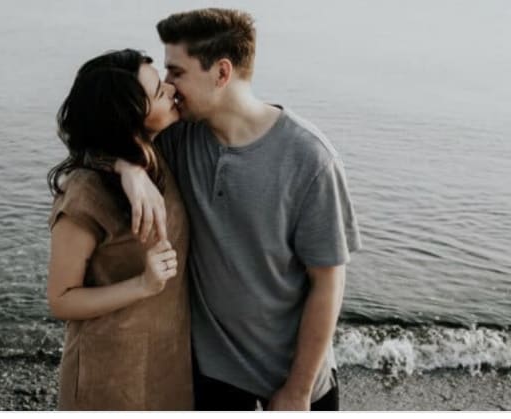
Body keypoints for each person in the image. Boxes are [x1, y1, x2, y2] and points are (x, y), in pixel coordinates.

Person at [113, 9, 362, 411]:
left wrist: (298, 390)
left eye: (177, 72)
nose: (168, 85)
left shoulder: (310, 159)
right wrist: (128, 167)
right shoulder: (178, 137)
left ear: (221, 72)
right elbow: (91, 132)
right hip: (213, 377)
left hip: (296, 378)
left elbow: (328, 282)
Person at [45, 49, 193, 410]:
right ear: (128, 118)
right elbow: (61, 299)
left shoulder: (158, 154)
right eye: (158, 91)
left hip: (169, 364)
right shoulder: (84, 194)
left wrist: (129, 166)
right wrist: (142, 285)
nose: (171, 89)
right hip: (108, 374)